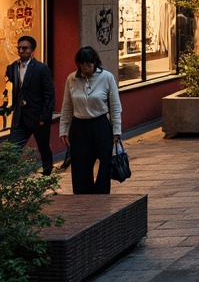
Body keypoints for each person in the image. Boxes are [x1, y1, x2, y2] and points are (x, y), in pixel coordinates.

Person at [58, 46, 122, 194]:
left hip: (100, 124)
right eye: (81, 64)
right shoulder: (71, 79)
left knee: (105, 161)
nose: (85, 67)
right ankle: (82, 194)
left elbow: (115, 106)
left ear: (95, 62)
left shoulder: (107, 77)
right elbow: (67, 106)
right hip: (79, 126)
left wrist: (116, 131)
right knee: (80, 163)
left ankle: (101, 194)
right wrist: (63, 130)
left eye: (88, 63)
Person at [5, 35, 55, 174]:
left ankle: (47, 174)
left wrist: (44, 116)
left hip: (38, 116)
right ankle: (8, 176)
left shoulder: (41, 68)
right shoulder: (13, 68)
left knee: (43, 147)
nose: (21, 51)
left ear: (32, 50)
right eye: (19, 48)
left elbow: (49, 94)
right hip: (20, 116)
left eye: (25, 48)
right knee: (12, 147)